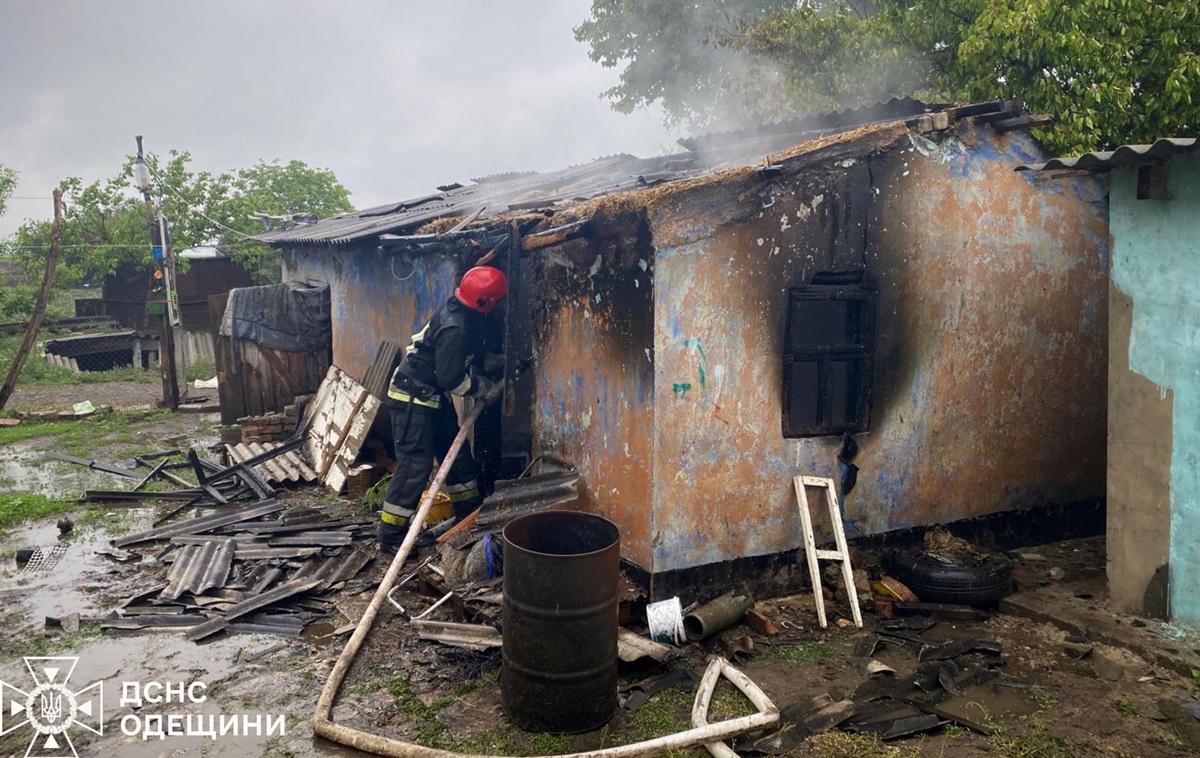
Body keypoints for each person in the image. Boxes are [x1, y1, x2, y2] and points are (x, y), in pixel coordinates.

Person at [377, 265, 509, 555]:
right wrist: (481, 388)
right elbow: (451, 378)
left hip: (433, 399)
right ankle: (391, 536)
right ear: (486, 302)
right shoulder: (455, 326)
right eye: (498, 302)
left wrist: (493, 363)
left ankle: (469, 516)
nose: (499, 307)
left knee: (459, 459)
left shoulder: (469, 316)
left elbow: (462, 358)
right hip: (412, 399)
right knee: (415, 467)